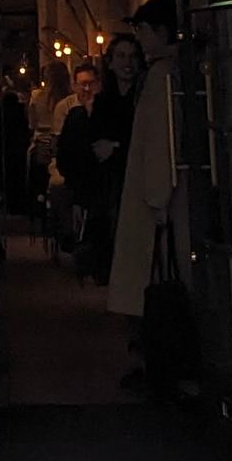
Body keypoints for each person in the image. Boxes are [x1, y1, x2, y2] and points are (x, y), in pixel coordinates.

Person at [107, 0, 180, 327]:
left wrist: (157, 195)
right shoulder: (167, 73)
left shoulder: (160, 77)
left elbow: (158, 137)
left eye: (143, 30)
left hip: (156, 192)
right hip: (161, 188)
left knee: (153, 269)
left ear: (160, 32)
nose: (139, 38)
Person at [57, 32, 140, 281]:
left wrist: (114, 147)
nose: (127, 62)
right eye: (121, 56)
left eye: (132, 56)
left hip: (135, 182)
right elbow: (89, 153)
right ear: (111, 62)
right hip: (107, 189)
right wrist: (81, 198)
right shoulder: (103, 103)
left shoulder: (142, 98)